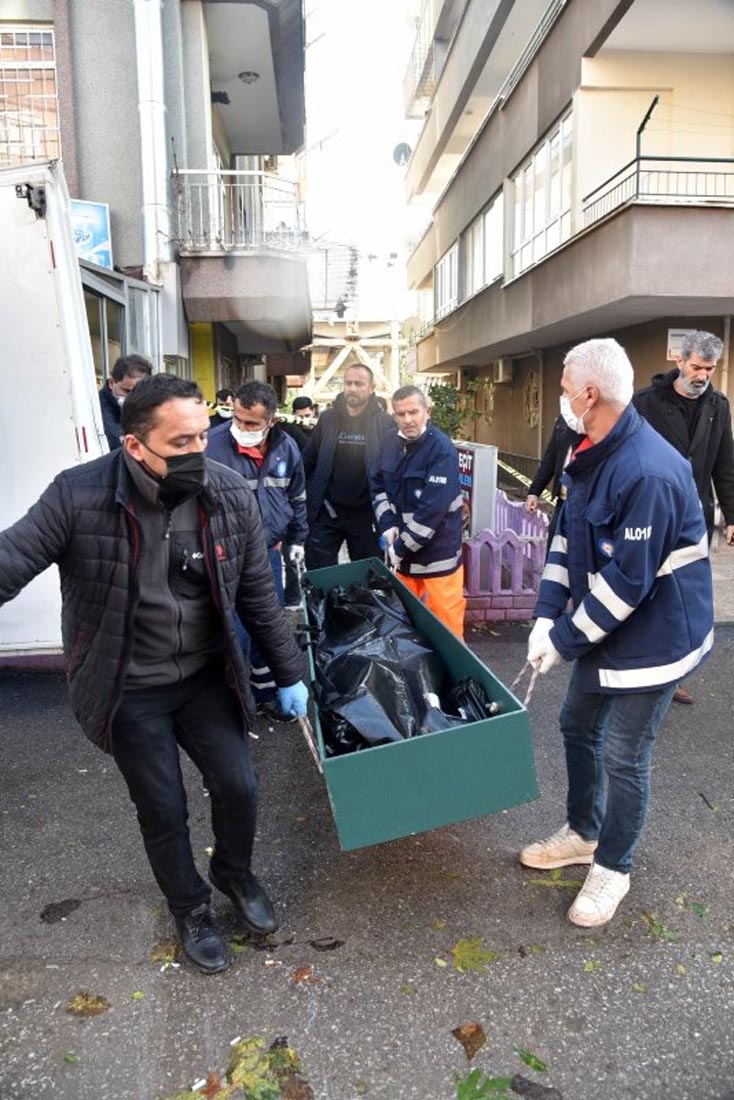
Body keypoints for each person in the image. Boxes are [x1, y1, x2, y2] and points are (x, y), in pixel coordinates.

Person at [0, 374, 308, 975]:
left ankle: (233, 872)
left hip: (203, 676)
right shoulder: (78, 496)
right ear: (134, 445)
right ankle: (190, 906)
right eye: (180, 444)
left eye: (202, 436)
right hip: (128, 684)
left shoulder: (226, 494)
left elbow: (257, 598)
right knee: (162, 806)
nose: (199, 452)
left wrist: (290, 672)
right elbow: (10, 559)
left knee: (239, 786)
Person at [520, 338, 713, 929]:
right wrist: (545, 615)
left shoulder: (648, 472)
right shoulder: (588, 449)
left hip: (658, 636)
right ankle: (583, 831)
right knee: (576, 723)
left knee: (626, 753)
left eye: (561, 385)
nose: (558, 395)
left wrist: (564, 640)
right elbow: (564, 538)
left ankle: (613, 867)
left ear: (589, 393)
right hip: (606, 627)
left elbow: (629, 585)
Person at [633, 330, 734, 704]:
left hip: (696, 519)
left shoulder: (717, 406)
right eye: (696, 367)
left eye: (709, 369)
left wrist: (732, 514)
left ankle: (673, 673)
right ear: (679, 361)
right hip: (652, 514)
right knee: (647, 590)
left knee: (682, 595)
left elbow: (725, 463)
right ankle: (638, 664)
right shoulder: (644, 403)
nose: (702, 375)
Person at [207, 380, 308, 718]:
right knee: (233, 629)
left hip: (268, 552)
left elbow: (297, 497)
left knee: (269, 624)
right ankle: (237, 699)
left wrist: (297, 539)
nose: (241, 428)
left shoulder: (287, 449)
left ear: (271, 421)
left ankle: (267, 693)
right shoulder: (212, 446)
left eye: (251, 423)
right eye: (237, 419)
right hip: (225, 554)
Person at [371, 385, 466, 639]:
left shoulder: (441, 449)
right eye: (400, 414)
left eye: (413, 412)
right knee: (406, 629)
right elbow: (378, 485)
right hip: (404, 559)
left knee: (448, 631)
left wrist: (398, 549)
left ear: (427, 412)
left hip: (438, 557)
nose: (407, 420)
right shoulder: (390, 442)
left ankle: (457, 679)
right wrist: (387, 524)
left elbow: (430, 513)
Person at [302, 363, 393, 569]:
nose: (352, 388)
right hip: (327, 512)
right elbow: (307, 461)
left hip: (366, 515)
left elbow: (393, 469)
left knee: (368, 578)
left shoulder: (385, 423)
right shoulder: (328, 419)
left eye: (359, 384)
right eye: (348, 383)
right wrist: (309, 496)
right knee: (319, 576)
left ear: (371, 388)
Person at [278, 395, 316, 608]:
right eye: (300, 417)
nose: (305, 421)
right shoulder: (289, 434)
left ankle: (307, 595)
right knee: (290, 552)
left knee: (307, 551)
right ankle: (292, 597)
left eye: (308, 416)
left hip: (313, 503)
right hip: (291, 500)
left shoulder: (320, 433)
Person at [526, 415, 583, 543]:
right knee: (553, 550)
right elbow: (550, 458)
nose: (564, 397)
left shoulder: (596, 417)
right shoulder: (564, 419)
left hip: (585, 505)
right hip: (562, 502)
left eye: (568, 393)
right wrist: (534, 492)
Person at [98, 353, 152, 451]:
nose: (132, 397)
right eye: (127, 391)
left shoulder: (149, 407)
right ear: (112, 383)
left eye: (138, 391)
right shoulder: (96, 411)